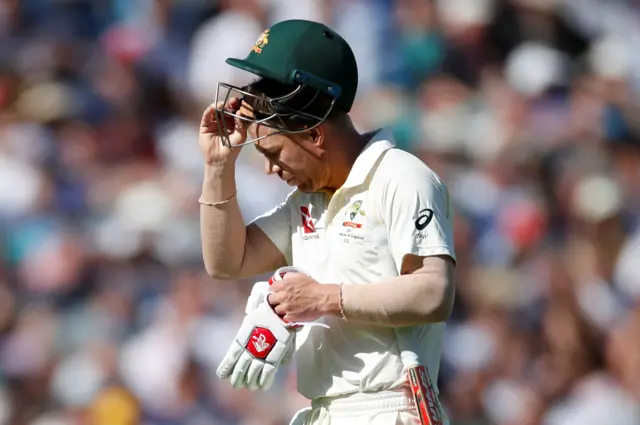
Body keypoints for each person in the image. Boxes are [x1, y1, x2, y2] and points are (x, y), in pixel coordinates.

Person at [199, 19, 456, 425]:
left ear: (314, 134)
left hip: (391, 409)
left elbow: (433, 291)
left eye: (273, 152)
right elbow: (227, 261)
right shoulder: (308, 200)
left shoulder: (400, 176)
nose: (270, 170)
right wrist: (217, 166)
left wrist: (322, 298)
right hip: (324, 412)